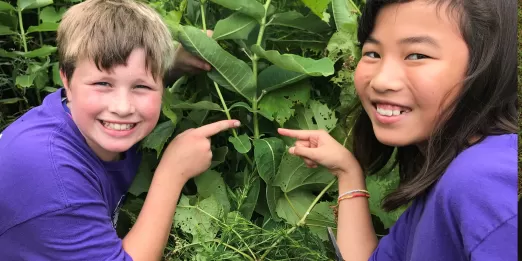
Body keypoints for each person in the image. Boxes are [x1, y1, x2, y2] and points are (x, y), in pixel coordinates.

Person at [278, 0, 518, 260]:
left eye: (416, 55)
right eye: (372, 53)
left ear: (489, 64)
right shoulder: (446, 180)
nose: (381, 80)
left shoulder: (484, 181)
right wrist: (347, 171)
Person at [0, 0, 239, 260]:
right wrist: (172, 172)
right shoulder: (51, 175)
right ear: (66, 80)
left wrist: (171, 64)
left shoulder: (84, 116)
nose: (123, 107)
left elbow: (126, 75)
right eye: (103, 83)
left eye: (142, 87)